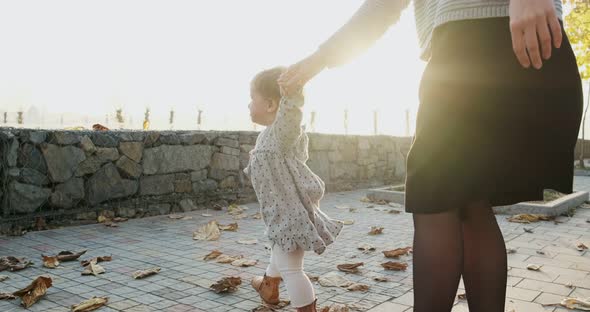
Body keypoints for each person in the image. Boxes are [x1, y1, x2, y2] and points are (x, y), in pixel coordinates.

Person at [278, 1, 583, 311]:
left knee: (434, 197)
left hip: (495, 39)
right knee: (468, 204)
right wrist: (319, 59)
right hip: (479, 48)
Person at [244, 67, 343, 312]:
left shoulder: (282, 131)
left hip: (289, 215)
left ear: (270, 104)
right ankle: (268, 285)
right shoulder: (269, 136)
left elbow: (290, 114)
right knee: (280, 249)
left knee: (292, 269)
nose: (248, 105)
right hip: (281, 214)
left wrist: (292, 91)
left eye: (251, 98)